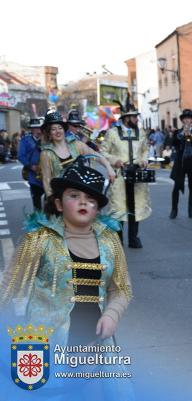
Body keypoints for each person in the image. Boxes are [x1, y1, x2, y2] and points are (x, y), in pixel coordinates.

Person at [0, 159, 133, 398]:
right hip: (47, 343)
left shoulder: (110, 240)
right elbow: (7, 285)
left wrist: (112, 314)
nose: (84, 202)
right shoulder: (39, 239)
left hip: (95, 344)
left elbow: (122, 288)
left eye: (91, 199)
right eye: (74, 195)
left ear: (97, 208)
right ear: (59, 204)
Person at [100, 94, 151, 248]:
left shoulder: (140, 133)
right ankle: (119, 239)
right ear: (126, 118)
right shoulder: (112, 133)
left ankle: (134, 238)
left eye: (137, 117)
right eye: (134, 117)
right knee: (119, 207)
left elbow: (145, 150)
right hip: (120, 174)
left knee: (136, 206)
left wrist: (144, 160)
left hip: (136, 173)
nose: (137, 119)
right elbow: (103, 152)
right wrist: (115, 161)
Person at [39, 110, 115, 198]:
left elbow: (96, 155)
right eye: (53, 129)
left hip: (79, 193)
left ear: (64, 130)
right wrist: (52, 200)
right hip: (60, 196)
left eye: (60, 128)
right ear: (49, 133)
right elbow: (46, 180)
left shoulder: (76, 144)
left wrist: (109, 167)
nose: (58, 131)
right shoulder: (46, 153)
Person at [169, 109, 192, 219]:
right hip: (180, 164)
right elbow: (173, 143)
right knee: (176, 187)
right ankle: (174, 210)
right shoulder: (177, 132)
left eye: (189, 118)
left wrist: (191, 136)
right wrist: (182, 133)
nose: (187, 120)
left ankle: (191, 211)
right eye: (185, 118)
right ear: (182, 120)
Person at [18, 117, 45, 211]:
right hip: (34, 176)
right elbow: (21, 156)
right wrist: (31, 166)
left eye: (39, 127)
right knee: (36, 201)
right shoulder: (25, 140)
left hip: (47, 174)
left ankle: (48, 221)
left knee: (49, 201)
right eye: (36, 128)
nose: (38, 130)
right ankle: (38, 221)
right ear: (32, 129)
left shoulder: (46, 139)